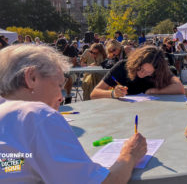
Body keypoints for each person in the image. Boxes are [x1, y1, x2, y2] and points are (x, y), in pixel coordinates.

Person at [0, 44, 147, 183]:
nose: (61, 97)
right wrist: (130, 154)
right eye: (59, 85)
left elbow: (12, 165)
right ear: (32, 77)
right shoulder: (37, 115)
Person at [91, 46, 184, 99]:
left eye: (148, 73)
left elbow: (180, 88)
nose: (143, 74)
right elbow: (94, 94)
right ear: (136, 62)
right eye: (141, 69)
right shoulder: (122, 66)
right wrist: (113, 94)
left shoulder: (160, 70)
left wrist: (153, 91)